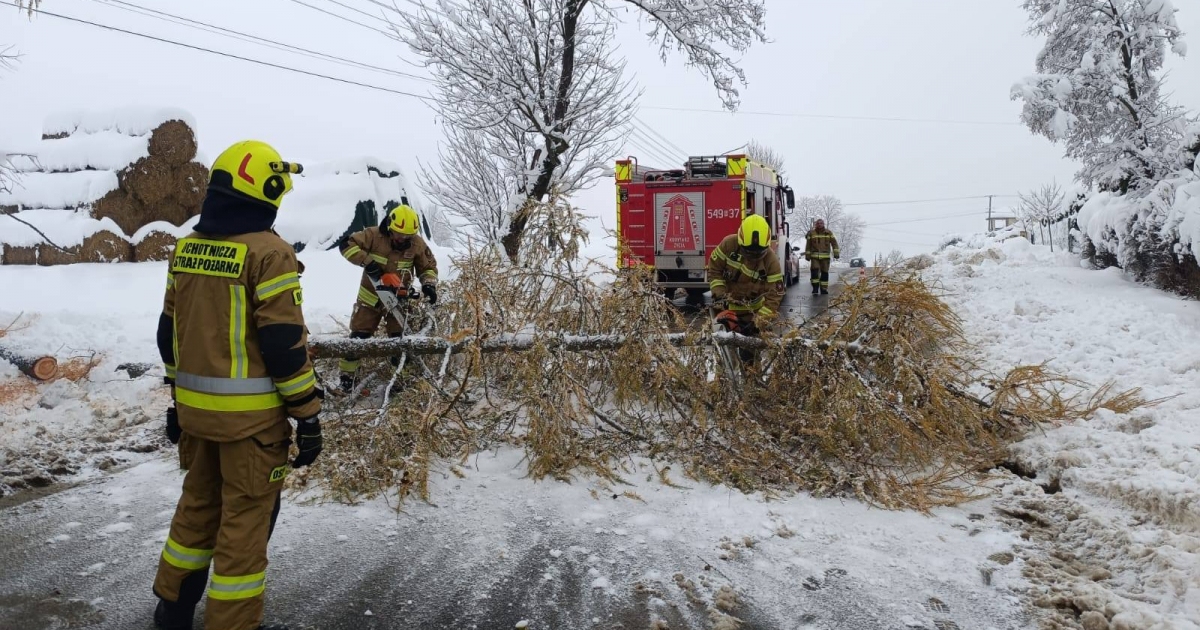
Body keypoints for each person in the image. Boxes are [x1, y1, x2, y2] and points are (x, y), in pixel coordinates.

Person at [153, 141, 323, 630]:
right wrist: (308, 415)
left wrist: (175, 401)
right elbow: (284, 346)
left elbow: (170, 334)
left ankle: (173, 609)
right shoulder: (270, 254)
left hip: (195, 419)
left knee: (197, 509)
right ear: (263, 193)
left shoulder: (187, 249)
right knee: (244, 529)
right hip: (252, 428)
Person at [335, 204, 438, 394]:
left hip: (398, 301)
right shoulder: (373, 235)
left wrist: (429, 284)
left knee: (400, 341)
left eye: (408, 236)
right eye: (399, 234)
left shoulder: (417, 244)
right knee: (358, 338)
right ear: (390, 226)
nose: (403, 239)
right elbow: (346, 245)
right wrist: (368, 263)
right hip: (370, 298)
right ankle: (347, 380)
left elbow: (428, 267)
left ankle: (400, 381)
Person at [707, 214, 785, 341]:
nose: (753, 256)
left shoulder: (771, 262)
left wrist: (757, 322)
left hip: (753, 313)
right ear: (740, 239)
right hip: (725, 309)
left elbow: (774, 296)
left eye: (758, 253)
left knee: (750, 356)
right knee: (724, 350)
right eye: (748, 251)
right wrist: (720, 297)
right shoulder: (728, 245)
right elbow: (715, 270)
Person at [805, 218, 840, 295]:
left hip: (825, 258)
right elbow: (808, 245)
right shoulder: (811, 233)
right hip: (814, 257)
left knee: (824, 273)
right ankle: (815, 288)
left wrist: (836, 253)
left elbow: (834, 243)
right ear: (815, 225)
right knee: (814, 272)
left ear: (823, 224)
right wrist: (807, 255)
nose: (819, 225)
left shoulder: (828, 233)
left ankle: (823, 289)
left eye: (821, 223)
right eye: (818, 223)